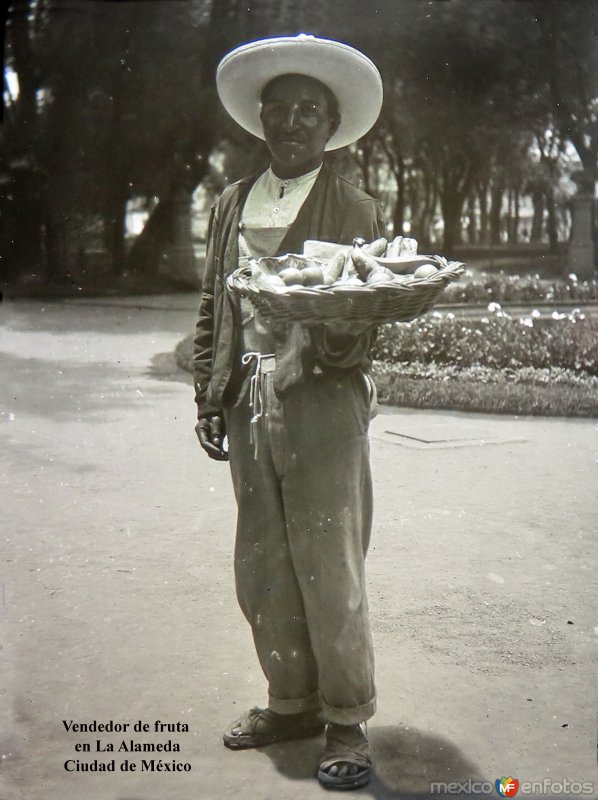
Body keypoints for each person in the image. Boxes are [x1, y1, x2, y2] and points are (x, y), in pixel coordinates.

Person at [193, 34, 384, 791]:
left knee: (328, 561)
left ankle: (347, 717)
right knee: (264, 561)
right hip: (250, 397)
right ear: (261, 120)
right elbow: (213, 303)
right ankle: (290, 700)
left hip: (323, 399)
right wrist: (210, 393)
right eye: (282, 110)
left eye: (311, 111)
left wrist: (329, 326)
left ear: (331, 127)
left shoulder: (354, 205)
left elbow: (366, 317)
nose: (295, 123)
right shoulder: (233, 204)